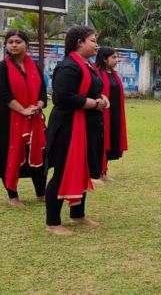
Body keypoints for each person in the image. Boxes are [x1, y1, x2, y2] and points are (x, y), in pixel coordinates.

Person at [45, 26, 109, 235]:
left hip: (84, 126)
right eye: (92, 40)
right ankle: (53, 222)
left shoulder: (87, 65)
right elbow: (61, 97)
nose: (96, 45)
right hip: (68, 128)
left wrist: (102, 99)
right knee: (62, 172)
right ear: (79, 42)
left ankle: (77, 215)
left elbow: (95, 89)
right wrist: (92, 103)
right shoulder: (68, 66)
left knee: (81, 168)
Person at [0, 30, 47, 207]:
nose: (14, 45)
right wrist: (23, 110)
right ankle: (13, 196)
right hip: (8, 118)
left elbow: (43, 92)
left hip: (34, 117)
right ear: (6, 45)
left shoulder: (35, 67)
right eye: (10, 41)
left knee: (38, 152)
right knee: (9, 153)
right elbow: (3, 94)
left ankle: (41, 194)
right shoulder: (1, 68)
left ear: (26, 44)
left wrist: (38, 106)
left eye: (18, 41)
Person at [95, 47, 128, 182]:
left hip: (114, 114)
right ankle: (96, 172)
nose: (116, 60)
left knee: (110, 141)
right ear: (104, 59)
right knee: (100, 142)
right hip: (102, 114)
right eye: (113, 57)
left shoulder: (113, 74)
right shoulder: (97, 74)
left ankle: (104, 171)